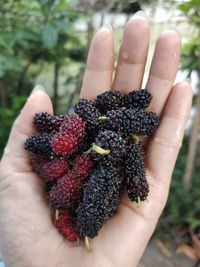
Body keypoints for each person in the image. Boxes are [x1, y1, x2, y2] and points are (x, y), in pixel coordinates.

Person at [0, 11, 193, 267]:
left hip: (104, 150)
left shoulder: (114, 152)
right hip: (89, 161)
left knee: (103, 168)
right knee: (75, 174)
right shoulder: (82, 156)